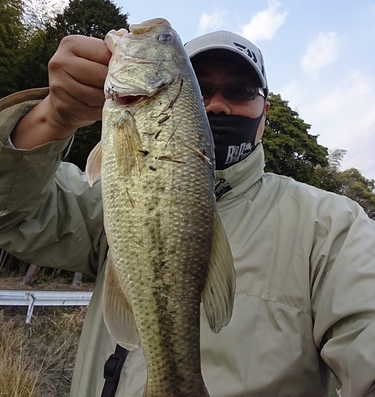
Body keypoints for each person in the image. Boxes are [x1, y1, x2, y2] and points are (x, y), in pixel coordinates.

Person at [0, 28, 375, 397]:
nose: (216, 104)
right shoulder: (105, 200)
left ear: (265, 113)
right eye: (200, 88)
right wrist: (51, 118)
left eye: (240, 91)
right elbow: (11, 217)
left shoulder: (332, 228)